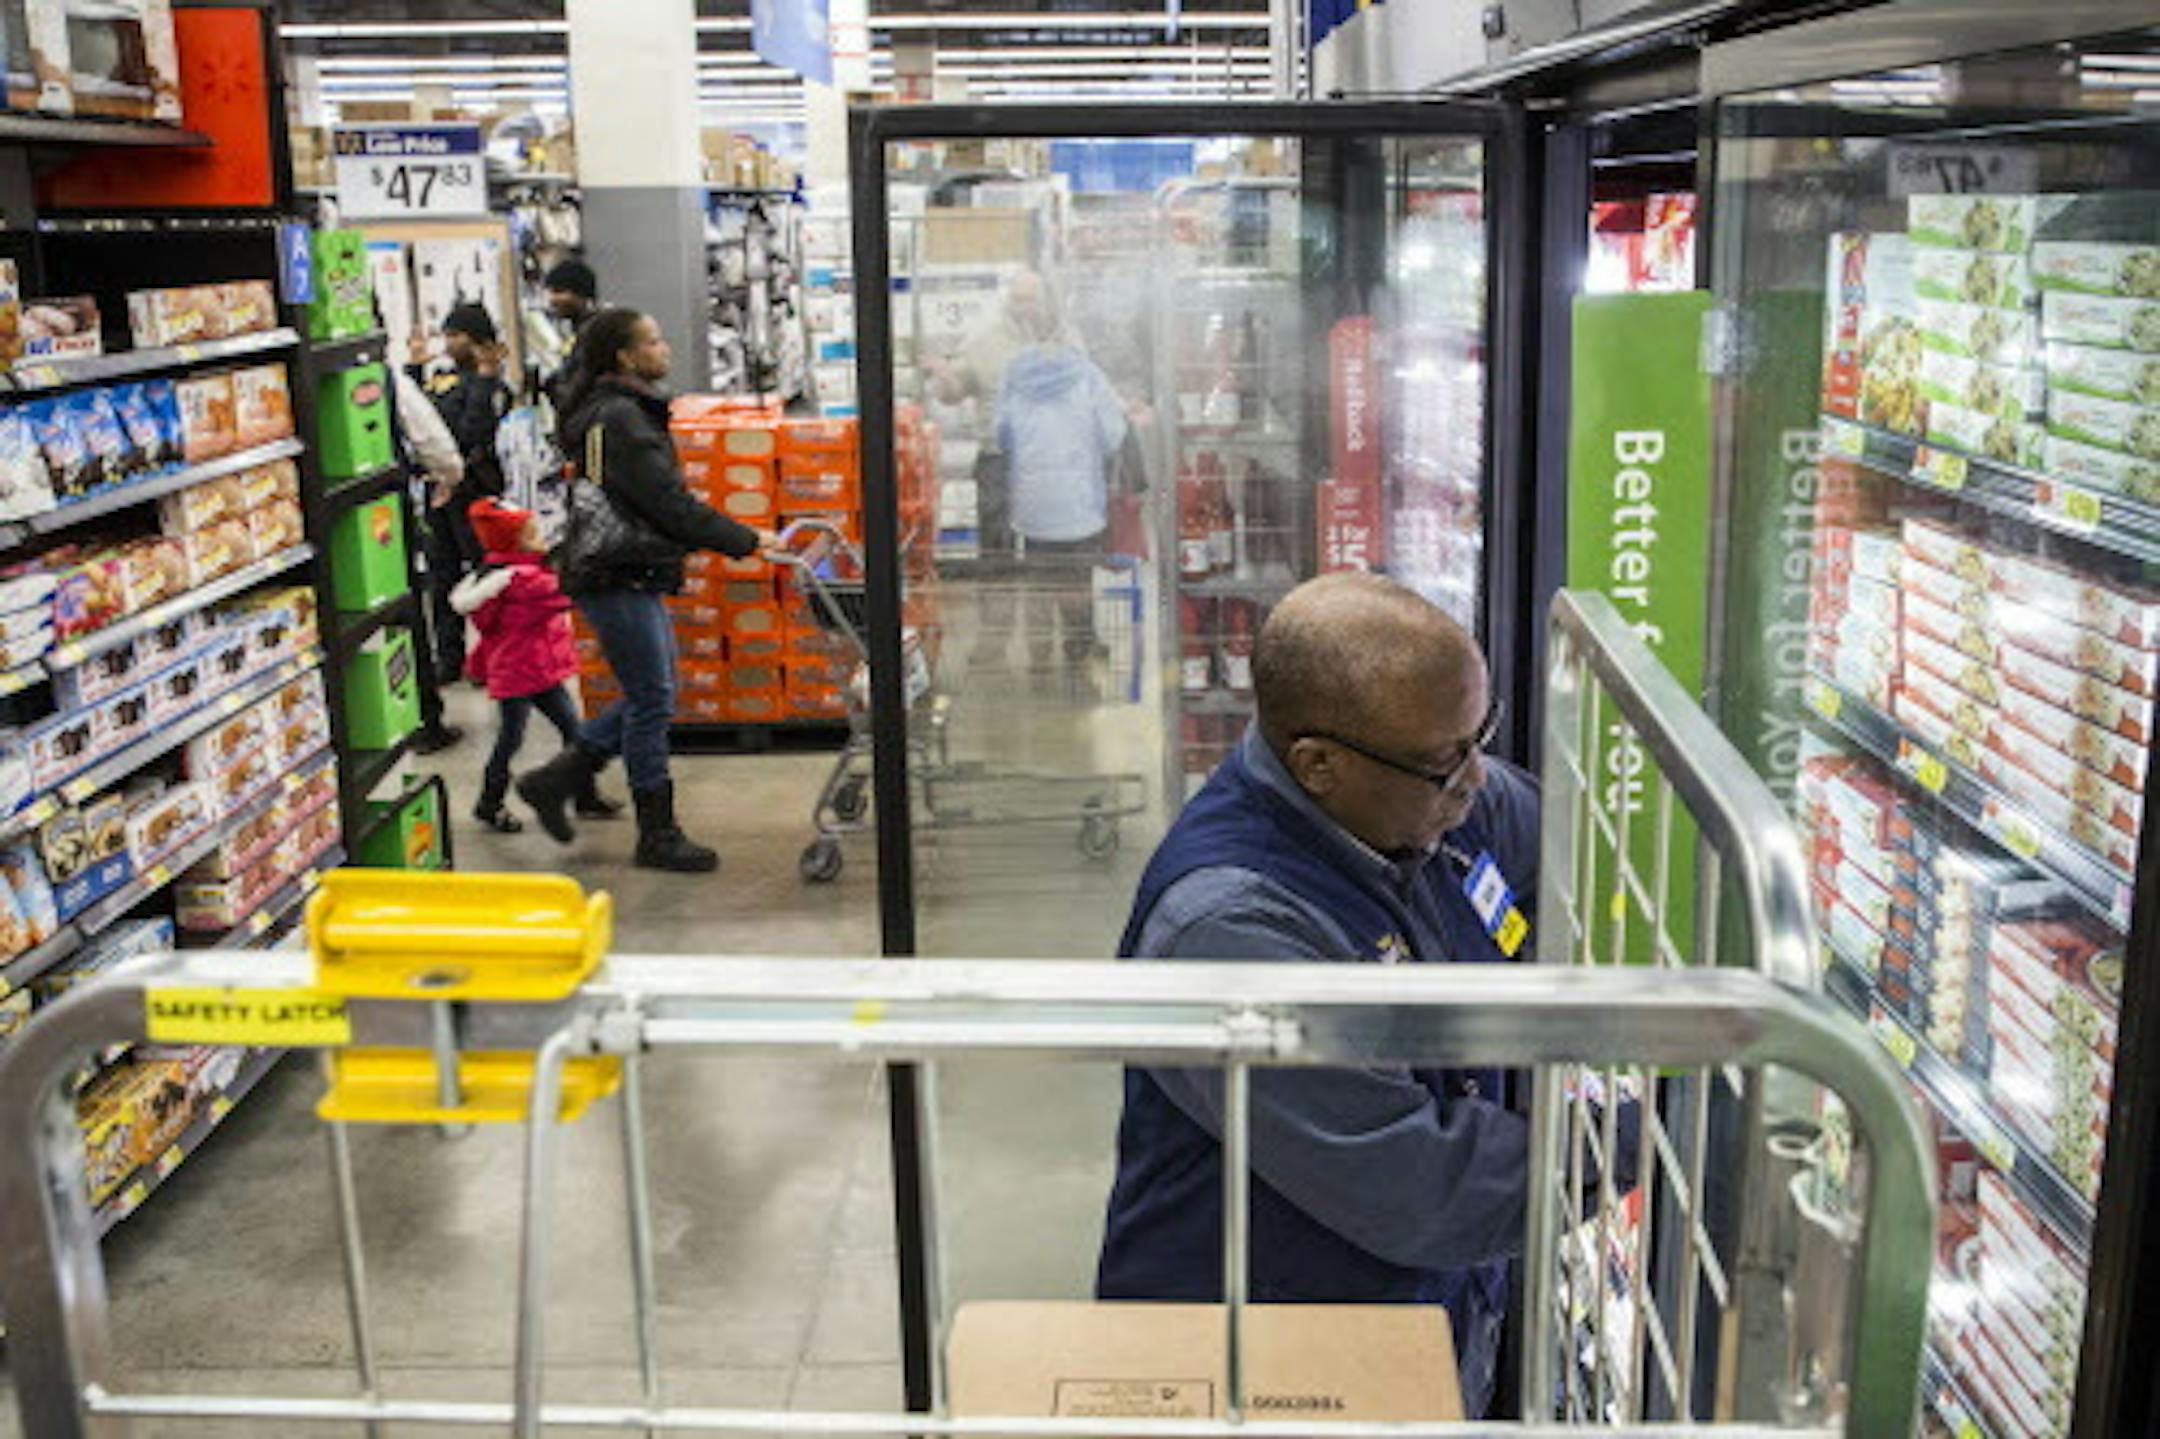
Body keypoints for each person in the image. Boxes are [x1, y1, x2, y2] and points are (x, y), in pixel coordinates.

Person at [1095, 573, 1634, 1420]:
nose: (1476, 779)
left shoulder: (1432, 809)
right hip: (1265, 1373)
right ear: (1318, 765)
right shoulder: (1230, 928)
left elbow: (1561, 845)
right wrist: (1638, 1136)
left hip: (1416, 1336)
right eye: (1443, 761)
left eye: (1479, 736)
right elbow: (1419, 1185)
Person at [516, 307, 770, 873]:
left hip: (620, 567)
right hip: (616, 570)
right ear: (625, 357)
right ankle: (656, 833)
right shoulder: (622, 420)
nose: (666, 350)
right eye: (653, 341)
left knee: (653, 692)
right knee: (653, 697)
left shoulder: (614, 412)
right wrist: (746, 540)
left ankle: (557, 777)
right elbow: (666, 505)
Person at [453, 497, 623, 835]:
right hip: (520, 674)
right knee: (512, 739)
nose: (541, 537)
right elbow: (565, 594)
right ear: (513, 542)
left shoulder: (508, 574)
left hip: (536, 671)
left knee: (573, 732)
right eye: (532, 535)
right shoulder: (523, 580)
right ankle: (489, 802)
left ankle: (584, 795)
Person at [410, 303, 511, 683]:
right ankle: (449, 659)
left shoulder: (491, 385)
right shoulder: (442, 379)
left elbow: (473, 432)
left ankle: (495, 656)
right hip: (438, 492)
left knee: (487, 579)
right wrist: (415, 368)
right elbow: (419, 419)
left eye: (457, 336)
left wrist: (485, 379)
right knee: (442, 576)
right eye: (447, 335)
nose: (449, 343)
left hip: (475, 493)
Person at [542, 257, 600, 329]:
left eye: (559, 291)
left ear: (581, 293)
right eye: (551, 292)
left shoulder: (599, 329)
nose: (553, 299)